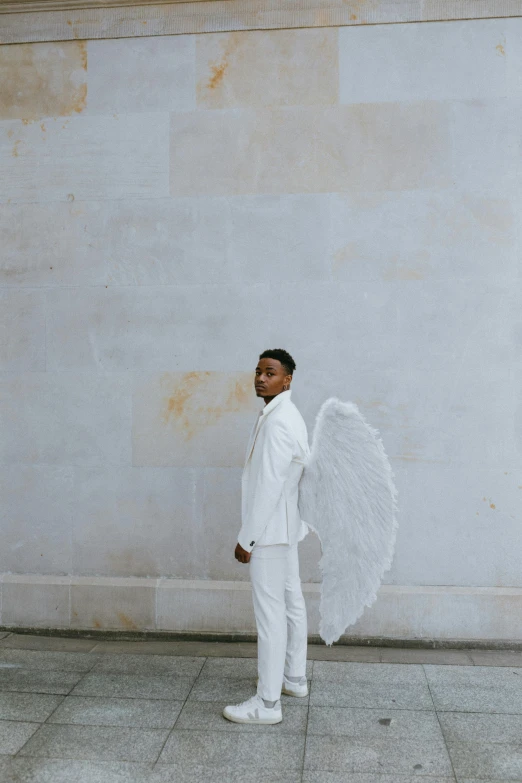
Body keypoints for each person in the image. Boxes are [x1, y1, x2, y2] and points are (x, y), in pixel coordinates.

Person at [222, 348, 310, 725]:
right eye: (258, 371)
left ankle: (267, 704)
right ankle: (294, 678)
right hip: (286, 530)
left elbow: (269, 486)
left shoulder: (278, 421)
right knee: (291, 604)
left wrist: (248, 539)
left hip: (271, 533)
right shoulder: (285, 414)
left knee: (271, 615)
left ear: (287, 379)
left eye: (270, 372)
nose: (260, 378)